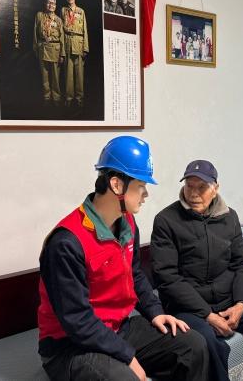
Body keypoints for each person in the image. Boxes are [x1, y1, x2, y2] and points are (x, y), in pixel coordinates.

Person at [38, 136, 209, 381]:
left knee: (193, 346)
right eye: (141, 186)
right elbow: (77, 320)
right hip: (70, 346)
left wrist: (155, 312)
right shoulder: (66, 243)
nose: (146, 194)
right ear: (117, 185)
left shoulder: (127, 222)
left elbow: (134, 274)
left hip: (117, 328)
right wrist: (127, 356)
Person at [151, 160, 243, 381]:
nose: (194, 194)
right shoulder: (166, 220)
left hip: (227, 301)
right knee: (206, 342)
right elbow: (168, 278)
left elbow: (241, 264)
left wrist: (241, 304)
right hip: (188, 308)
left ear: (215, 188)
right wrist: (207, 315)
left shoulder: (229, 217)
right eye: (189, 186)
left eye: (202, 187)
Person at [33, 0, 65, 103]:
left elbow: (62, 38)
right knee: (44, 76)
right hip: (43, 49)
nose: (51, 5)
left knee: (55, 77)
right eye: (49, 3)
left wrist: (62, 54)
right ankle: (46, 97)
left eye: (53, 3)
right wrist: (36, 48)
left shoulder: (59, 20)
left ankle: (56, 98)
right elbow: (35, 34)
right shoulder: (39, 16)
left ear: (56, 5)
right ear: (45, 4)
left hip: (55, 50)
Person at [60, 0, 89, 109]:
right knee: (68, 74)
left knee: (79, 74)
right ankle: (68, 98)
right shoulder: (63, 10)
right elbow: (61, 31)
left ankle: (79, 98)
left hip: (78, 43)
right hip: (67, 43)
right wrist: (61, 50)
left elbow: (85, 29)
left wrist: (85, 48)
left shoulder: (81, 11)